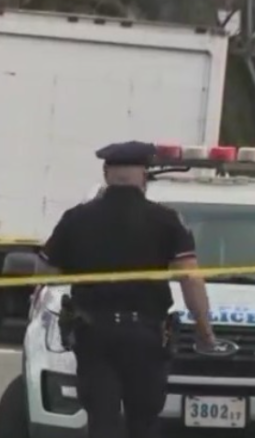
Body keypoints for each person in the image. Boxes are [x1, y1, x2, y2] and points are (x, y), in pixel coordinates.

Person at [37, 141, 217, 438]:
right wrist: (205, 331)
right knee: (144, 422)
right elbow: (190, 278)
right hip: (144, 338)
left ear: (107, 173)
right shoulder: (166, 220)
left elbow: (44, 273)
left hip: (94, 336)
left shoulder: (76, 218)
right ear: (144, 176)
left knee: (102, 423)